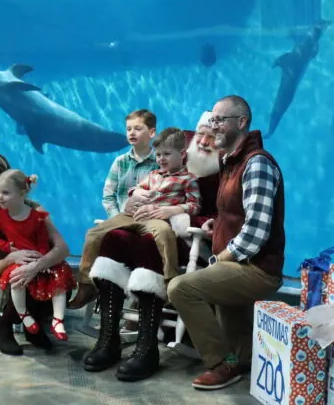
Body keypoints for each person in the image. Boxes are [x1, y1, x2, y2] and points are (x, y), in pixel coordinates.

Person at [81, 111, 221, 382]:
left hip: (186, 238)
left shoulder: (220, 169)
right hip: (147, 223)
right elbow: (138, 191)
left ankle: (147, 348)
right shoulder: (162, 167)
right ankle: (108, 339)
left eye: (212, 136)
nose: (204, 141)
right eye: (201, 134)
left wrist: (174, 213)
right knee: (113, 238)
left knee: (147, 244)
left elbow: (212, 211)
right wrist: (134, 200)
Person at [168, 95, 285, 391]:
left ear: (241, 122)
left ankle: (220, 363)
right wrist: (215, 225)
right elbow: (234, 211)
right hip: (240, 263)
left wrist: (220, 259)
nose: (212, 126)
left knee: (182, 287)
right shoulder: (230, 162)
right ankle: (238, 360)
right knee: (235, 332)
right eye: (212, 119)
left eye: (219, 120)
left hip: (256, 268)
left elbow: (257, 230)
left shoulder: (256, 163)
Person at [77, 127, 201, 288]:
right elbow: (135, 189)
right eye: (158, 154)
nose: (161, 159)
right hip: (135, 215)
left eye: (167, 154)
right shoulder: (153, 175)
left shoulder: (188, 179)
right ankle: (85, 283)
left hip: (156, 218)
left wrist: (170, 210)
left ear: (182, 154)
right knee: (93, 234)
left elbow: (195, 205)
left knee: (165, 234)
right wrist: (136, 192)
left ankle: (171, 280)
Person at [0, 152, 60, 355]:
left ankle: (31, 326)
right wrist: (11, 258)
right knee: (20, 280)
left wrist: (36, 266)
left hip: (36, 269)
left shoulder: (32, 208)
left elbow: (61, 248)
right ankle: (3, 326)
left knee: (61, 284)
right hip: (0, 276)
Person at [68, 108, 159, 310]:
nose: (131, 133)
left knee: (143, 247)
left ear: (151, 133)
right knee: (93, 235)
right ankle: (86, 285)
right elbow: (108, 196)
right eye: (128, 129)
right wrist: (116, 217)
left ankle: (140, 303)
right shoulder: (120, 163)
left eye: (138, 128)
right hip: (123, 216)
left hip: (149, 218)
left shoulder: (159, 162)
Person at [0, 170, 76, 340]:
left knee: (59, 276)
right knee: (17, 278)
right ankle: (23, 315)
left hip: (36, 258)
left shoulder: (37, 216)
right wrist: (9, 249)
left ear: (23, 193)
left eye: (5, 193)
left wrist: (41, 259)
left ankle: (58, 319)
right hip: (16, 260)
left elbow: (44, 240)